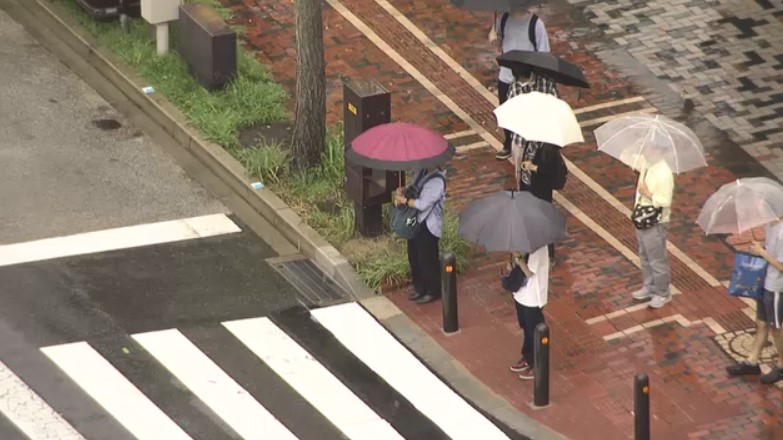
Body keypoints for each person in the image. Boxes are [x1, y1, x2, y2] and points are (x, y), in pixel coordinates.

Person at [488, 7, 551, 160]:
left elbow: (544, 53)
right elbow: (498, 40)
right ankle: (509, 143)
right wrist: (493, 35)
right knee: (506, 111)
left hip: (527, 78)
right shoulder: (502, 19)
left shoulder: (536, 24)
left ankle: (531, 146)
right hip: (506, 75)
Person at [726, 219, 783, 385]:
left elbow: (781, 266)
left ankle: (781, 365)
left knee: (777, 328)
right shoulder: (771, 226)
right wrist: (762, 246)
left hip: (776, 287)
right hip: (765, 282)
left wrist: (761, 252)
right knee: (762, 323)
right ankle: (751, 361)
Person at [395, 167, 447, 304]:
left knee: (427, 259)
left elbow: (423, 204)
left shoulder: (437, 181)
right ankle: (420, 287)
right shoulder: (421, 172)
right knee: (414, 257)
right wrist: (403, 192)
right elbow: (414, 189)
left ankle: (432, 290)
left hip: (429, 225)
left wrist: (405, 201)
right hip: (415, 222)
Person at [629, 155, 675, 309]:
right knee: (644, 255)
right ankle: (649, 286)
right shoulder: (647, 165)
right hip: (642, 217)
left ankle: (663, 293)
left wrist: (647, 193)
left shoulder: (664, 173)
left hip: (655, 221)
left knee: (656, 259)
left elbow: (666, 201)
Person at [508, 246, 550, 380]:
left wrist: (519, 259)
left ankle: (537, 364)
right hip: (521, 294)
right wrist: (513, 263)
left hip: (532, 297)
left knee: (534, 331)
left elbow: (529, 273)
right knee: (525, 327)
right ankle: (527, 357)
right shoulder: (522, 243)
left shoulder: (539, 248)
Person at [520, 141, 565, 262]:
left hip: (540, 192)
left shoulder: (548, 148)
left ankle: (549, 255)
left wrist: (533, 167)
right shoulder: (530, 142)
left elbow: (550, 172)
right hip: (527, 187)